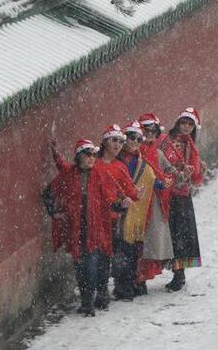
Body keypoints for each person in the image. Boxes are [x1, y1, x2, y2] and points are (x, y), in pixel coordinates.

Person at [43, 139, 130, 317]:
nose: (91, 158)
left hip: (95, 228)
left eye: (93, 154)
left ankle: (91, 301)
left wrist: (121, 205)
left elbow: (108, 199)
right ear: (79, 157)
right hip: (76, 229)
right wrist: (55, 212)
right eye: (87, 154)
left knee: (92, 265)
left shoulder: (99, 175)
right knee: (80, 267)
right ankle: (87, 300)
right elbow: (49, 192)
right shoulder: (69, 174)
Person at [115, 121, 175, 298]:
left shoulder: (143, 159)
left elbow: (153, 179)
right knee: (121, 248)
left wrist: (165, 182)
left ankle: (136, 282)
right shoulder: (116, 159)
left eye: (138, 138)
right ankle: (122, 285)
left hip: (140, 210)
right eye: (131, 138)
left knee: (135, 249)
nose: (135, 141)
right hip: (120, 208)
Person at [160, 107, 205, 291]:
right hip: (167, 194)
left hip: (183, 196)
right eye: (183, 123)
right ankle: (177, 273)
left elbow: (195, 179)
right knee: (173, 235)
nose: (186, 127)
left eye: (190, 124)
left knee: (181, 236)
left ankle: (179, 274)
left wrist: (199, 170)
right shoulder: (167, 142)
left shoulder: (191, 145)